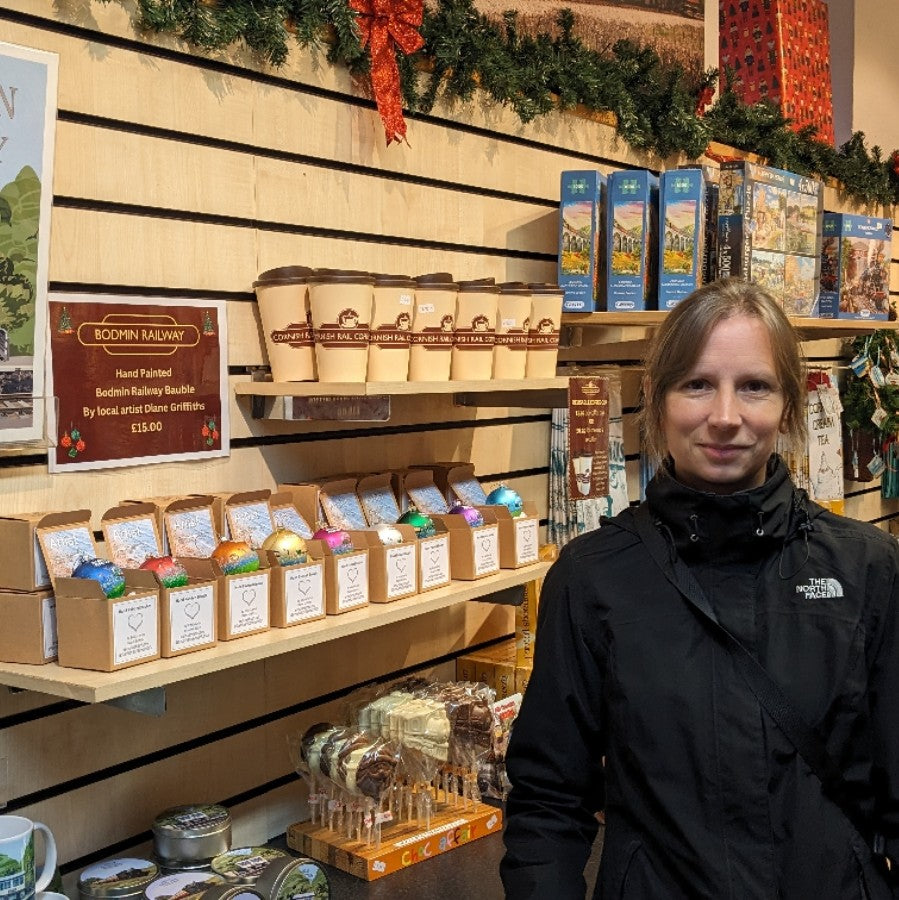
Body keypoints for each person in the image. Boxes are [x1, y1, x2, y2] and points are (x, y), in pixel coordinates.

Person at [500, 278, 899, 899]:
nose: (725, 417)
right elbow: (549, 799)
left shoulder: (866, 568)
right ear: (657, 402)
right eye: (697, 384)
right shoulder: (593, 576)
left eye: (755, 387)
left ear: (787, 407)